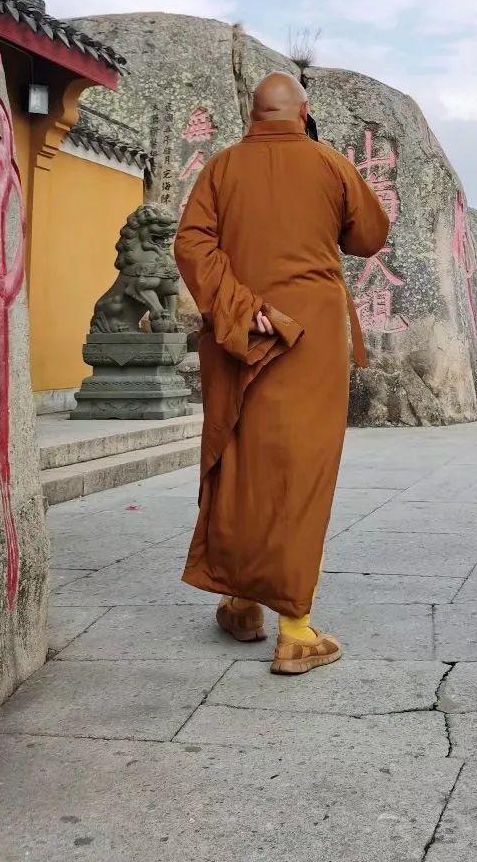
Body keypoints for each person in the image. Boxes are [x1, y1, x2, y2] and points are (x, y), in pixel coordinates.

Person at [174, 72, 390, 674]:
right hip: (310, 338)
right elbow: (370, 236)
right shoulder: (329, 164)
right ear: (304, 112)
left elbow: (191, 245)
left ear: (252, 112)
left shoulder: (219, 169)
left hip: (239, 335)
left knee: (240, 460)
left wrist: (243, 307)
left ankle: (243, 601)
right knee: (301, 469)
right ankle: (295, 629)